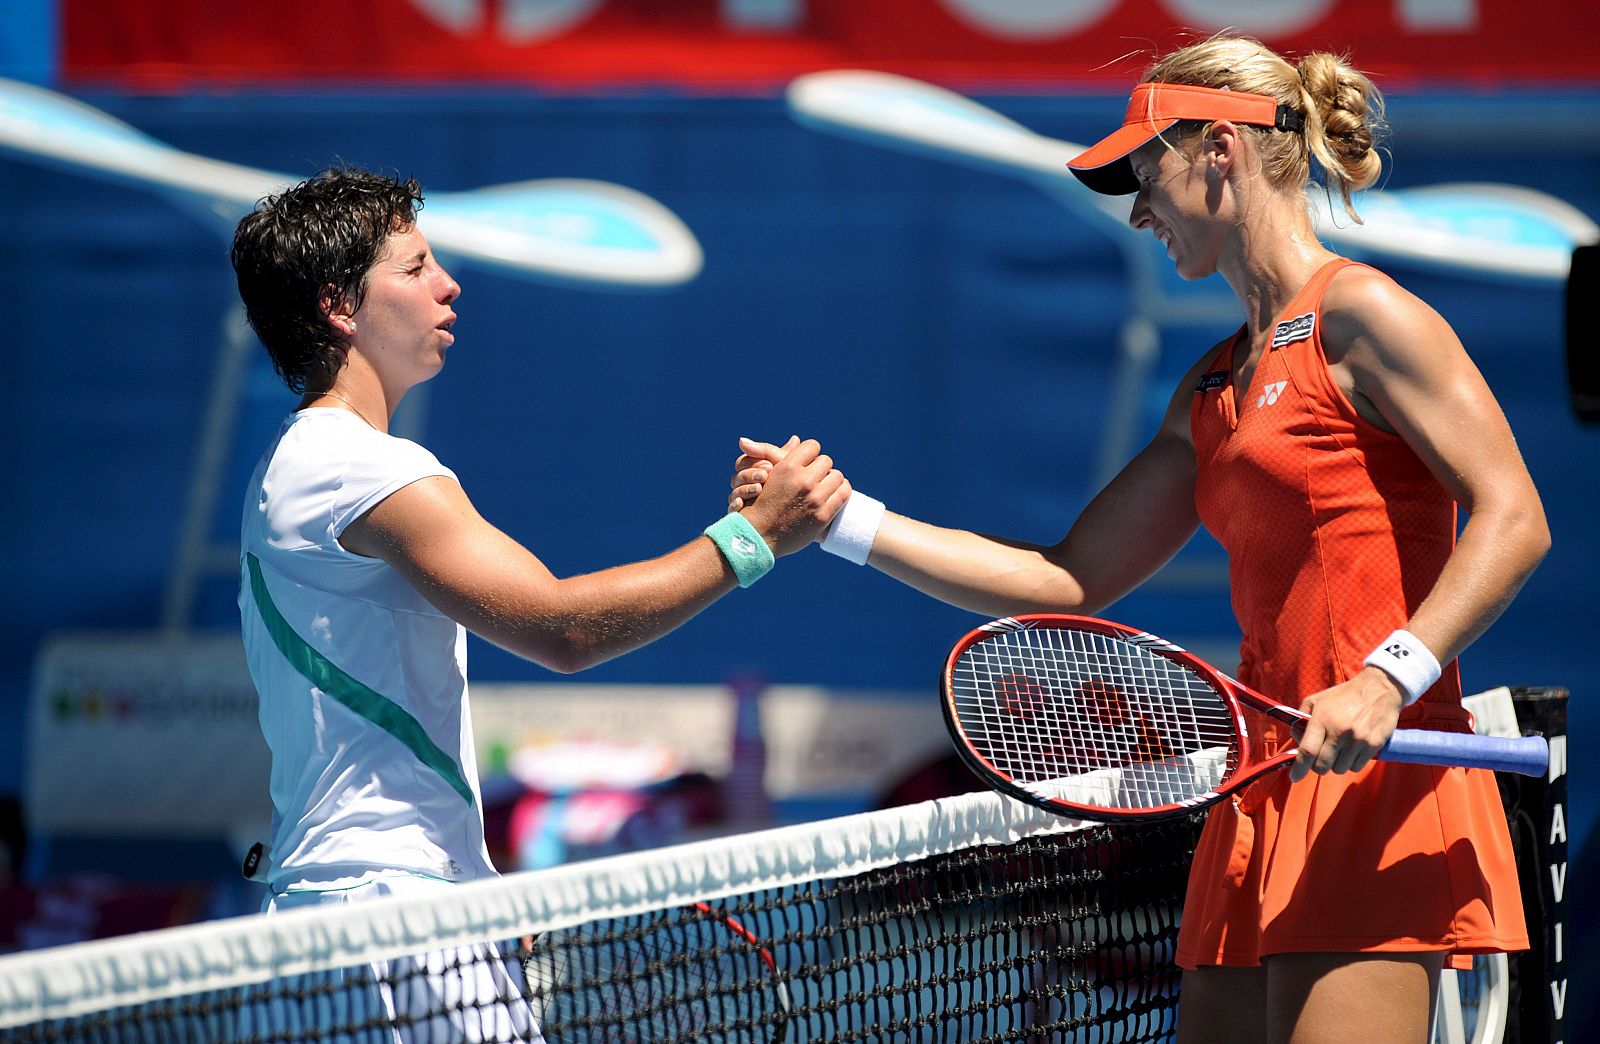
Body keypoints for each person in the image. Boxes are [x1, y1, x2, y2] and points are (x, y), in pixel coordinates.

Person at [731, 35, 1549, 1044]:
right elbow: (1066, 576)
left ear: (1221, 150)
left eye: (1143, 174)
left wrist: (1385, 679)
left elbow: (1514, 518)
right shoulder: (1208, 387)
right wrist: (844, 522)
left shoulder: (1364, 316)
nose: (1136, 210)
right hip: (1261, 792)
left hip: (1369, 787)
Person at [231, 166, 847, 1041]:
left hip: (368, 909)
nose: (449, 284)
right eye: (415, 268)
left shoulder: (302, 463)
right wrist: (753, 539)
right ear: (340, 304)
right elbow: (564, 628)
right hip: (386, 919)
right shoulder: (353, 467)